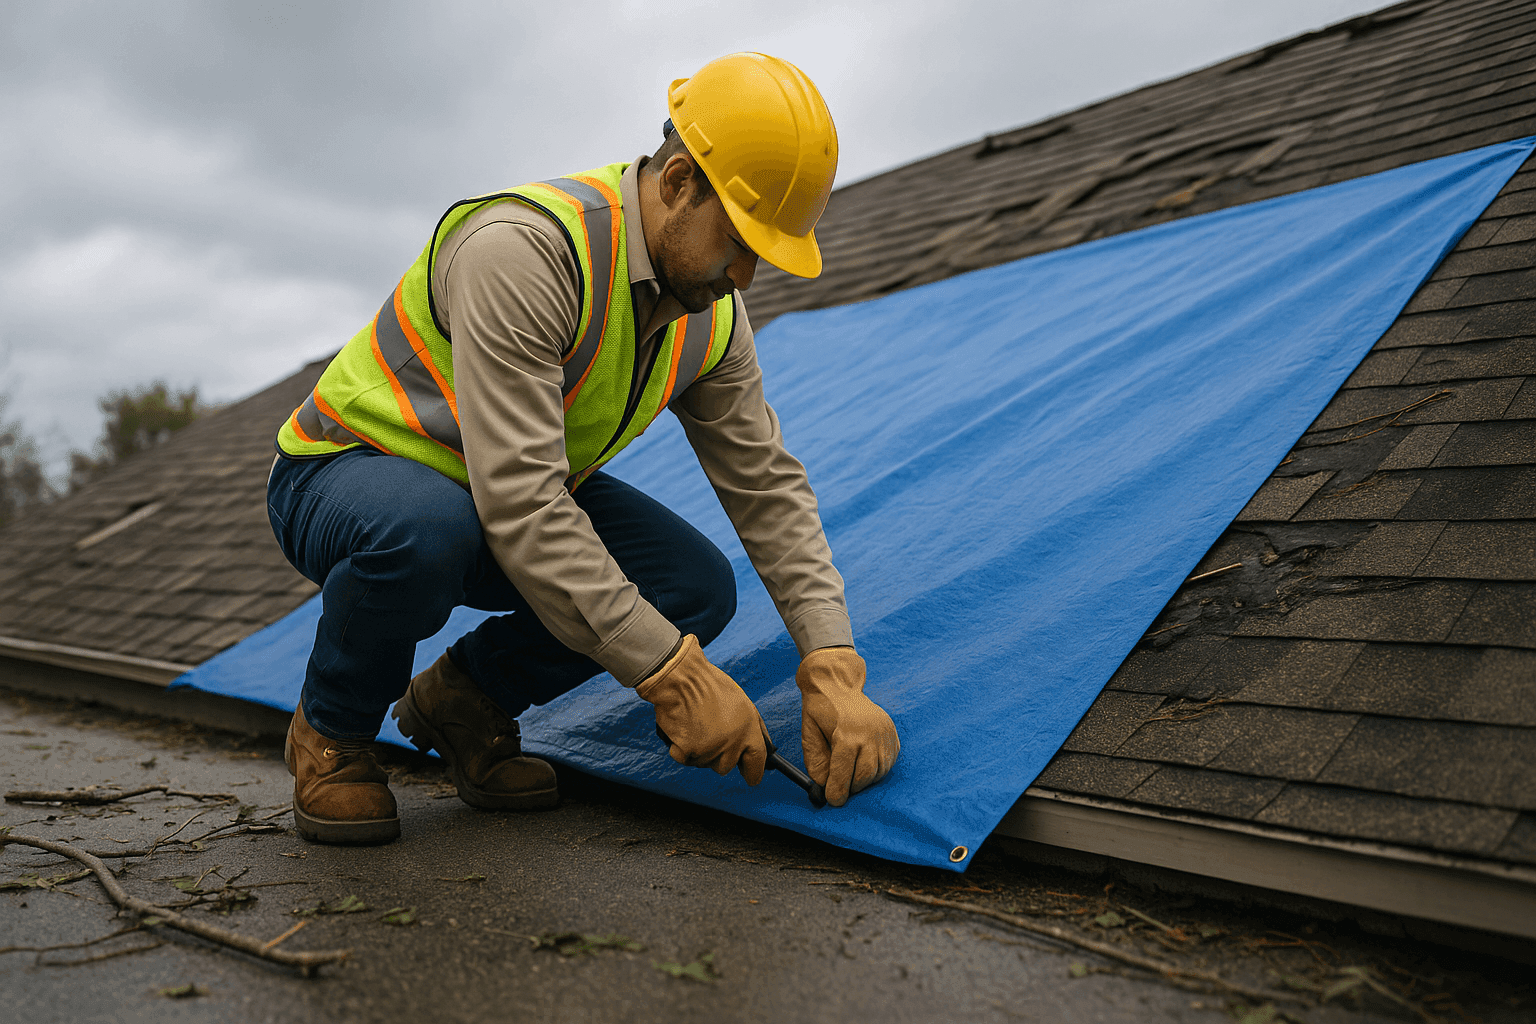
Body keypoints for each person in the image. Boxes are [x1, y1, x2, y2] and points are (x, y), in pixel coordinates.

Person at [267, 52, 900, 844]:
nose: (744, 275)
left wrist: (833, 665)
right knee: (427, 531)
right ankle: (333, 731)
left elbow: (765, 488)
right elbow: (526, 502)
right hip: (348, 475)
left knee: (691, 586)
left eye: (764, 255)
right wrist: (673, 674)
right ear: (676, 183)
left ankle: (464, 699)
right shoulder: (524, 251)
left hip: (495, 496)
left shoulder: (711, 313)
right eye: (738, 240)